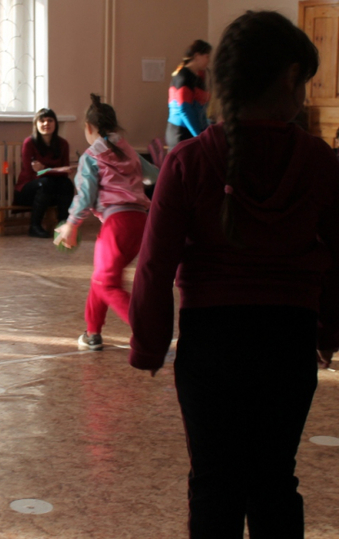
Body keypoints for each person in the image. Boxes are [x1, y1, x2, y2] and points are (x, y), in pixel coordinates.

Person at [129, 11, 338, 538]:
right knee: (274, 480)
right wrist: (329, 330)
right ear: (291, 77)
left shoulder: (187, 161)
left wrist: (150, 345)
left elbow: (154, 265)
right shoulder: (321, 161)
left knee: (214, 484)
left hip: (211, 347)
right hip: (288, 342)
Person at [54, 94, 158, 351]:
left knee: (106, 283)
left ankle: (149, 331)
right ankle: (92, 333)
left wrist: (71, 224)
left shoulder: (91, 156)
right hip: (140, 223)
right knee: (100, 278)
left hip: (117, 227)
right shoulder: (129, 150)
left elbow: (85, 196)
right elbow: (154, 176)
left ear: (89, 128)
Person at [14, 108, 75, 238]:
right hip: (28, 190)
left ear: (55, 123)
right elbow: (31, 173)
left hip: (52, 188)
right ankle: (34, 226)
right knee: (46, 183)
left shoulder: (63, 144)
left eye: (50, 120)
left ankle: (63, 225)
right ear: (36, 124)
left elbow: (65, 172)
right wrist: (55, 170)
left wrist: (44, 169)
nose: (46, 124)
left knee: (67, 183)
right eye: (42, 121)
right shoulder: (29, 143)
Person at [166, 39, 212, 149]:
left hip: (190, 132)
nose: (208, 60)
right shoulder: (184, 77)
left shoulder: (196, 77)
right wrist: (199, 136)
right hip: (181, 133)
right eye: (206, 56)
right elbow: (185, 110)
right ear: (197, 56)